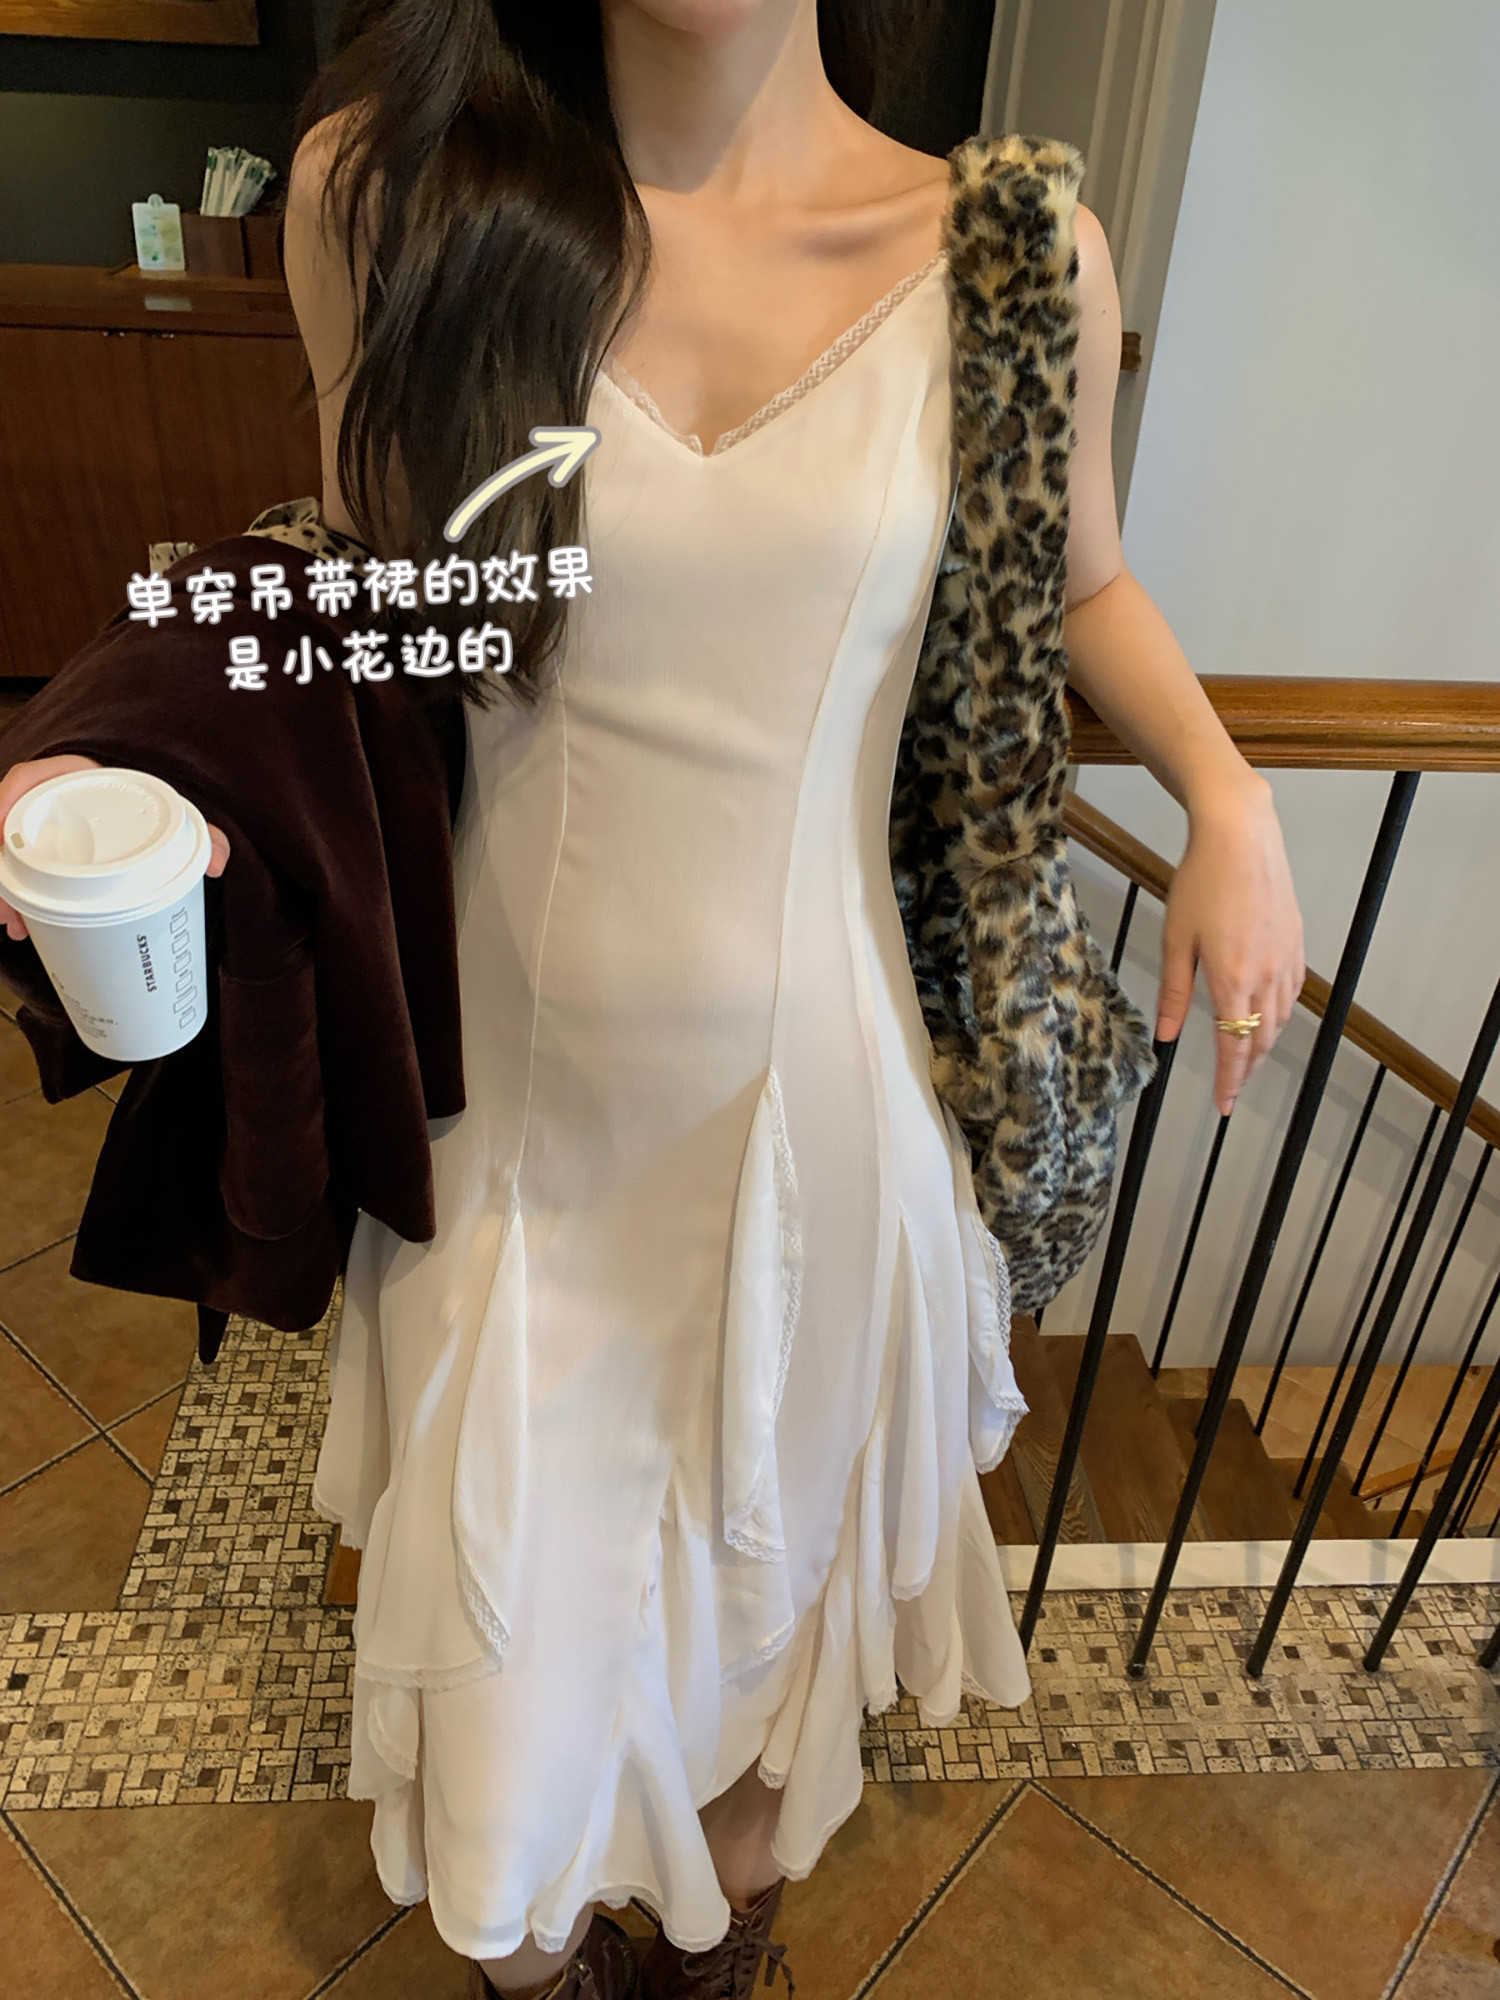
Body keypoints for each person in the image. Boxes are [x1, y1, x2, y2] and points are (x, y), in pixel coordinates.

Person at [0, 4, 1304, 1996]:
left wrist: (1228, 792)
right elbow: (359, 601)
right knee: (511, 1678)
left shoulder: (1014, 254)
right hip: (513, 1127)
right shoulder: (394, 196)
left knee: (769, 1634)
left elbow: (1083, 580)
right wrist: (127, 735)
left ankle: (711, 1955)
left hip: (818, 1110)